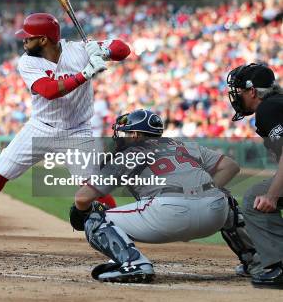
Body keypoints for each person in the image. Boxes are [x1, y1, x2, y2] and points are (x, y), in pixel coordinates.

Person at [0, 12, 131, 234]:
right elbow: (48, 91)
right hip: (40, 127)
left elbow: (124, 48)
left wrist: (103, 51)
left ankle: (118, 232)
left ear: (44, 39)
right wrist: (85, 73)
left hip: (77, 131)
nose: (24, 40)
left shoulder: (79, 50)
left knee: (94, 187)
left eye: (29, 37)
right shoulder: (27, 62)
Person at [71, 109, 254, 283]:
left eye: (125, 132)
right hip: (214, 214)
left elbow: (82, 198)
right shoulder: (185, 145)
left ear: (135, 135)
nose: (121, 137)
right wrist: (207, 190)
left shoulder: (128, 154)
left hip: (167, 214)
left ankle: (133, 263)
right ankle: (255, 261)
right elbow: (231, 166)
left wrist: (84, 213)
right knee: (226, 199)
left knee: (95, 219)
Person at [227, 63, 283, 289]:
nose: (236, 96)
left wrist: (272, 195)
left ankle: (280, 265)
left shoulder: (268, 109)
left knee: (255, 198)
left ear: (252, 92)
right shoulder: (277, 104)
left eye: (239, 91)